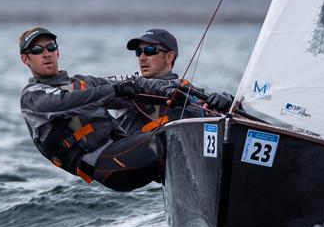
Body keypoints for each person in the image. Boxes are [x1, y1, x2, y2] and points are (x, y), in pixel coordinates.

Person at [18, 26, 230, 192]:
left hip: (130, 154)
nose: (46, 53)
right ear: (25, 59)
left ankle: (221, 181)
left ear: (58, 52)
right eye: (37, 50)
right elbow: (64, 102)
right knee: (174, 135)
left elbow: (137, 83)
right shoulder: (32, 97)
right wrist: (116, 89)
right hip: (108, 165)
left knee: (204, 128)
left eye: (51, 47)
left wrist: (206, 96)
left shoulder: (84, 82)